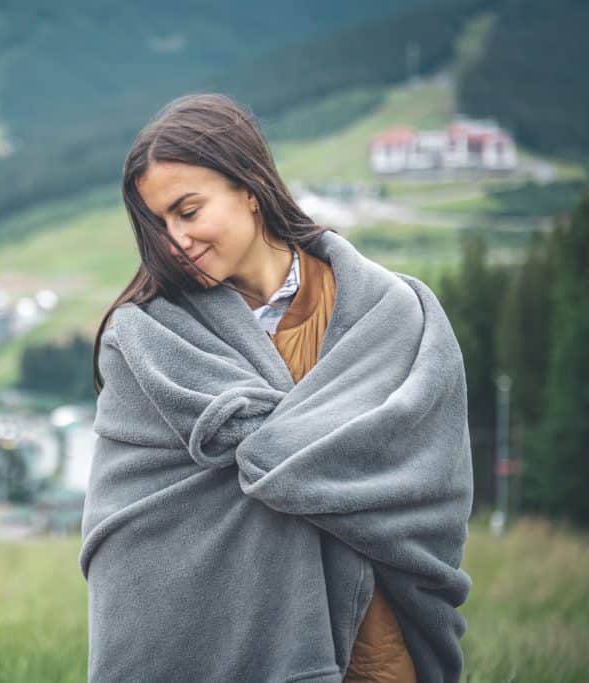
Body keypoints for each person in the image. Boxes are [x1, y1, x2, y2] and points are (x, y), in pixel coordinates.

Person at [81, 93, 473, 682]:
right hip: (213, 649)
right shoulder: (149, 343)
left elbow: (431, 478)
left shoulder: (390, 315)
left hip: (378, 632)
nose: (174, 241)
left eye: (188, 211)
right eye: (157, 224)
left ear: (249, 187)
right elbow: (130, 540)